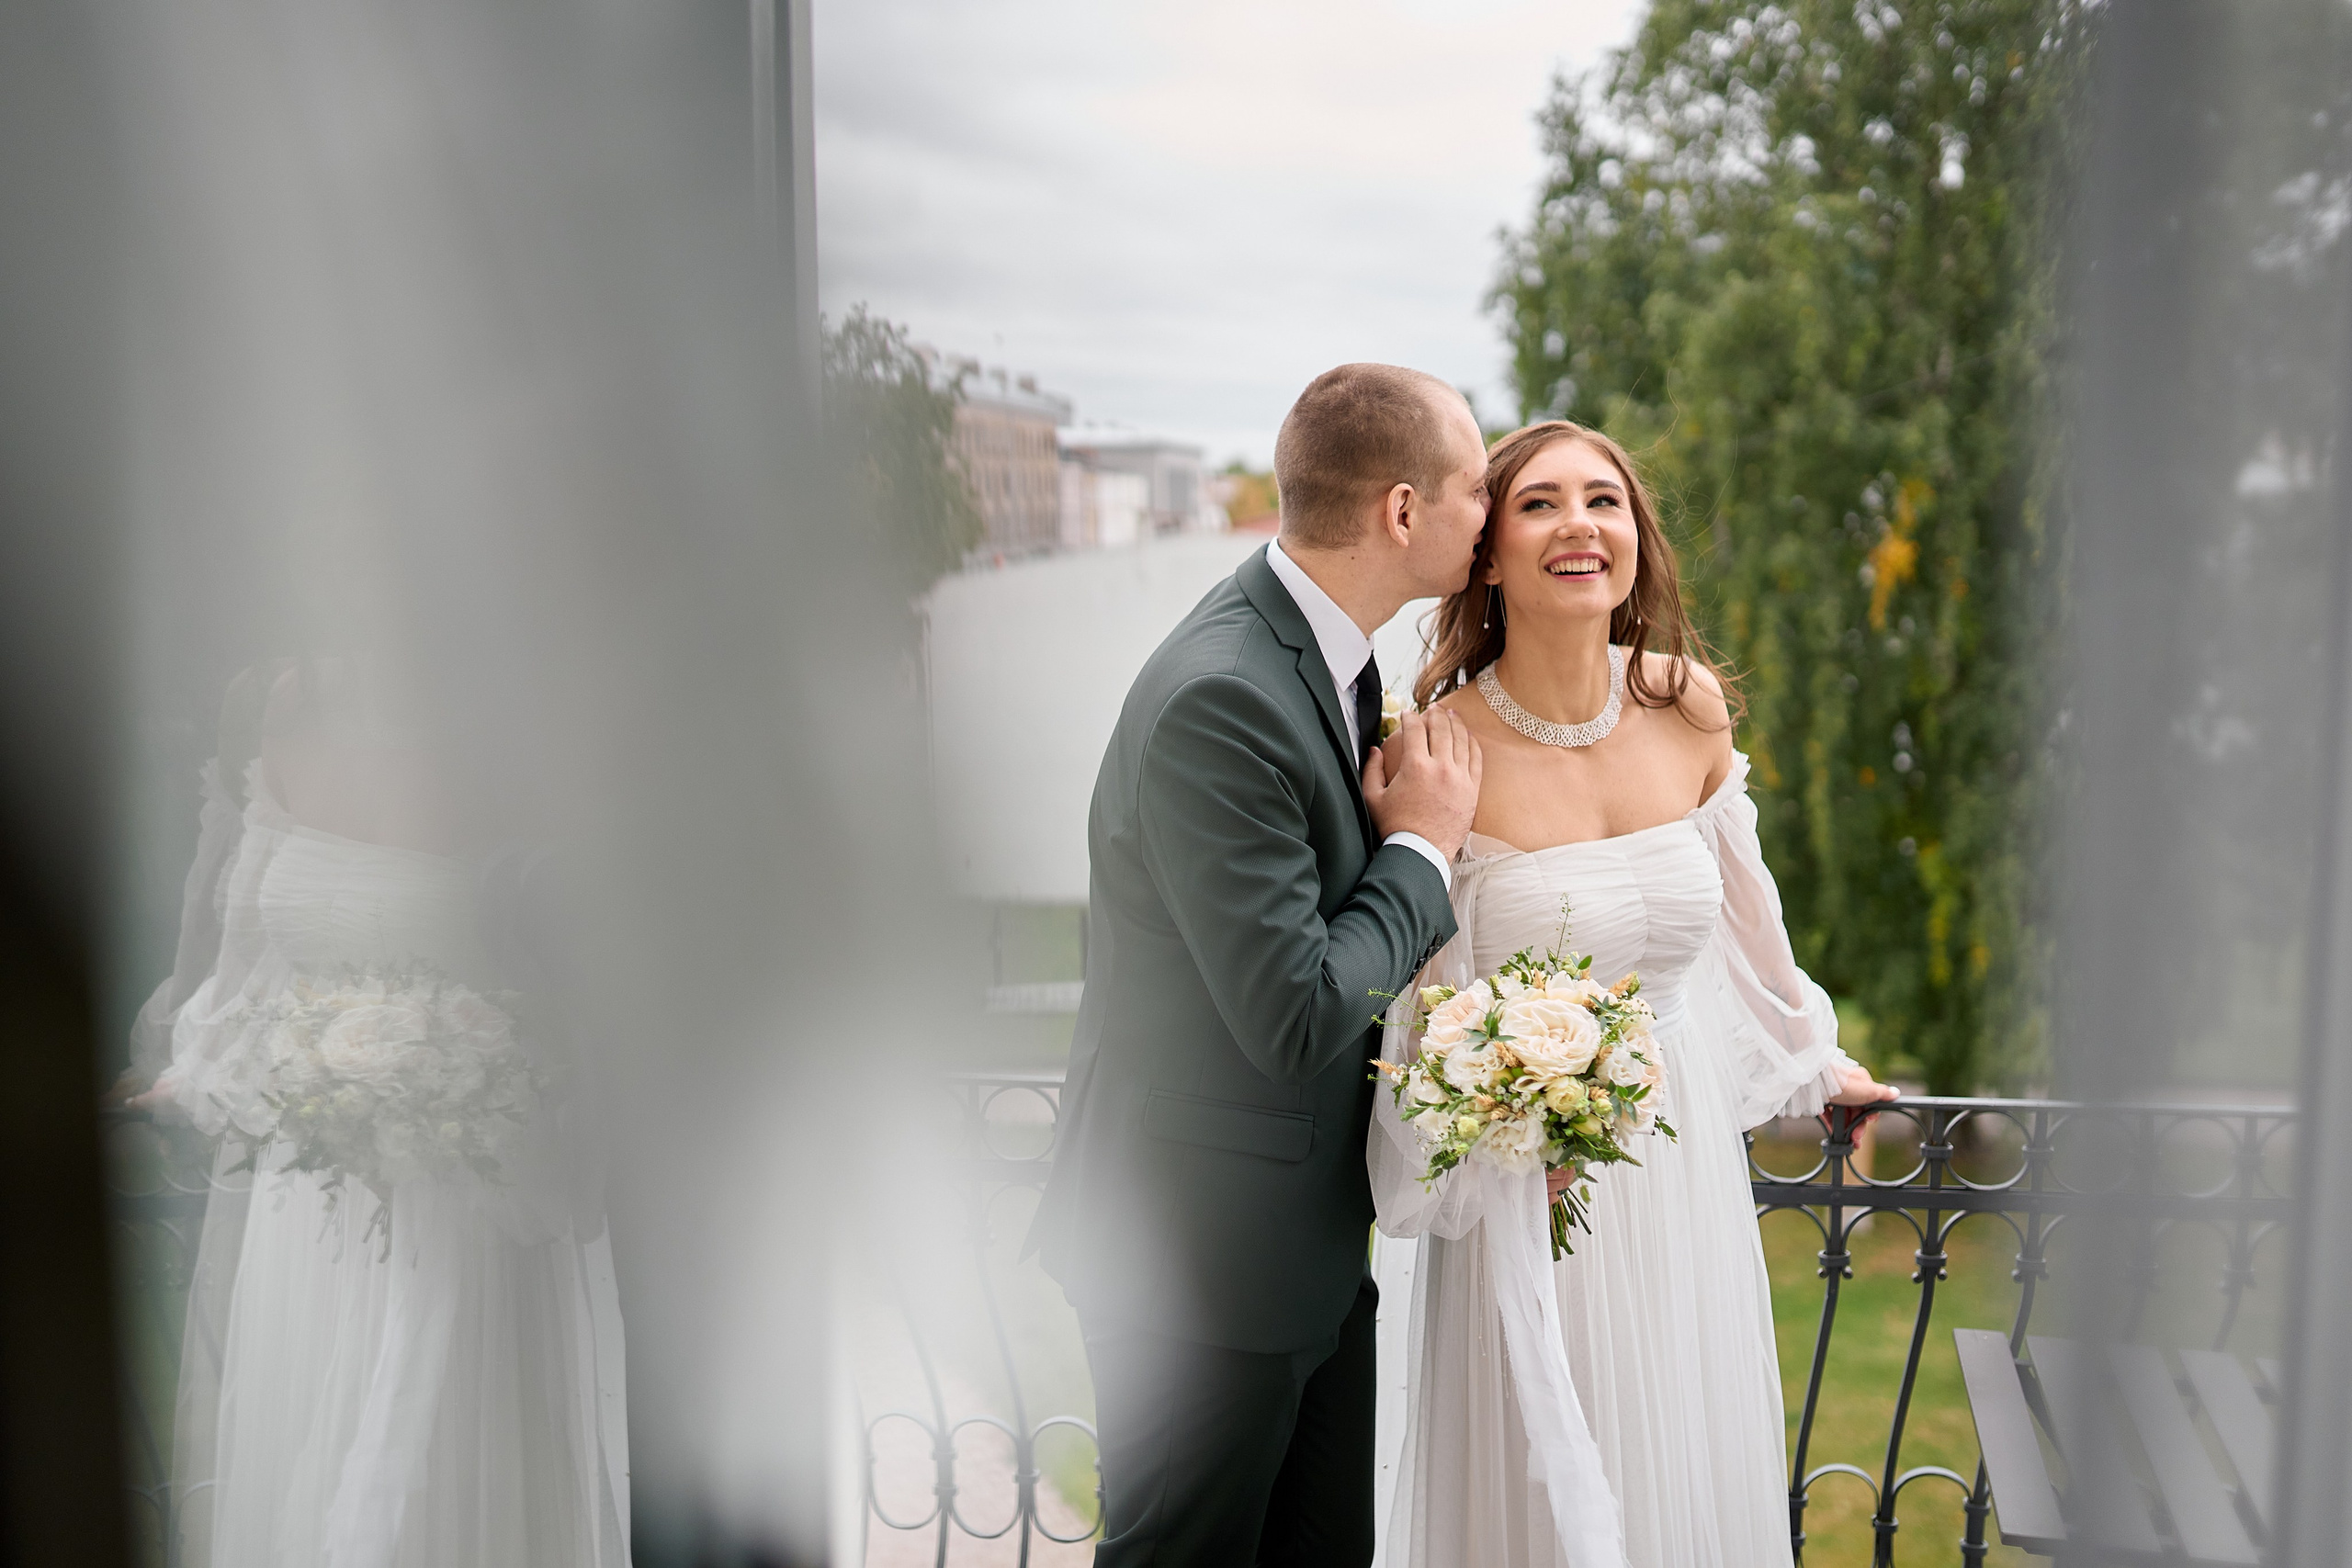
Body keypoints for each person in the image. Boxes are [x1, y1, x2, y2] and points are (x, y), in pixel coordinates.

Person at [1367, 422, 1899, 1568]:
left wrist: (1815, 1056)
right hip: (1522, 1183)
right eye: (1540, 504)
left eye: (1603, 501)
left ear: (1635, 541)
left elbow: (1749, 929)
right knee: (1538, 1482)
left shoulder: (1688, 704)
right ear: (1489, 556)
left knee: (1682, 1462)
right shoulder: (1436, 748)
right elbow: (1418, 999)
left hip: (1679, 1162)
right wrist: (1493, 1134)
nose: (1579, 526)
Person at [1029, 363, 1490, 1565]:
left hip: (1300, 1245)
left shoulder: (1334, 659)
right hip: (1195, 1260)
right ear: (1402, 510)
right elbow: (1292, 1008)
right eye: (1479, 492)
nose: (1489, 520)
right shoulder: (1222, 699)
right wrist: (1423, 853)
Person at [126, 660, 630, 1568]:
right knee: (318, 1419)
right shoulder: (273, 719)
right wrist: (197, 1069)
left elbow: (566, 963)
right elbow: (248, 957)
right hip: (313, 1183)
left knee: (432, 1432)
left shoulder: (490, 737)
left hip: (457, 1172)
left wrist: (470, 1071)